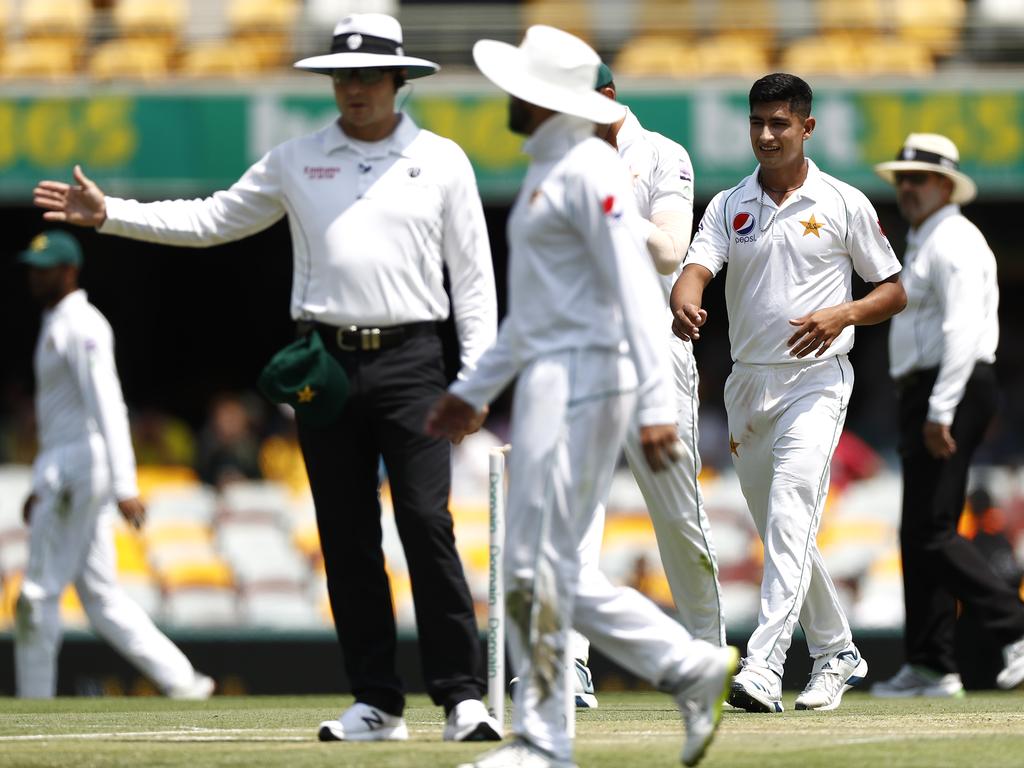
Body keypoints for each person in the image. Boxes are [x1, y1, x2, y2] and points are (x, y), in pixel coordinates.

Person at [32, 13, 500, 742]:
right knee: (346, 536)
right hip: (324, 364)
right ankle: (376, 701)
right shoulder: (298, 158)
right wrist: (110, 215)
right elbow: (213, 218)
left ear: (400, 80)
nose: (354, 90)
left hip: (414, 361)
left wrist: (477, 379)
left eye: (369, 75)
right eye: (342, 76)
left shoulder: (442, 160)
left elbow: (473, 282)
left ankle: (462, 696)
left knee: (426, 523)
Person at [427, 25, 738, 768]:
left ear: (542, 99)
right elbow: (532, 311)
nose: (507, 97)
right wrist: (473, 392)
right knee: (536, 568)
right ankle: (636, 691)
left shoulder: (588, 173)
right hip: (551, 380)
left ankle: (619, 699)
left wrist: (657, 406)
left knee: (539, 566)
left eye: (517, 87)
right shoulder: (552, 170)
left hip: (585, 383)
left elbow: (635, 283)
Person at [671, 72, 907, 713]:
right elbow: (697, 267)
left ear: (806, 127)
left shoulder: (843, 201)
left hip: (817, 380)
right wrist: (686, 297)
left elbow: (892, 288)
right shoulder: (728, 204)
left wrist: (843, 314)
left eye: (780, 124)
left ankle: (763, 666)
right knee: (784, 529)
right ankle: (837, 653)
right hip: (747, 384)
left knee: (791, 515)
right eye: (757, 123)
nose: (766, 135)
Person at [564, 62, 725, 708]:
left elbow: (670, 248)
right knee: (573, 511)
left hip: (653, 349)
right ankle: (569, 665)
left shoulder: (661, 154)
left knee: (675, 511)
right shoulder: (566, 158)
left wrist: (607, 210)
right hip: (582, 347)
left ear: (605, 97)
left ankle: (707, 654)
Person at [15, 229, 214, 700]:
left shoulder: (81, 325)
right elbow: (65, 418)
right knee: (100, 597)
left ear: (69, 271)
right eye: (32, 268)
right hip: (66, 467)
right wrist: (41, 477)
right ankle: (185, 683)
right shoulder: (58, 322)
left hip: (76, 469)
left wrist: (125, 483)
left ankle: (33, 707)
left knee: (37, 595)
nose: (34, 277)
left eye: (44, 269)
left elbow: (107, 404)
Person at [869, 133, 1024, 698]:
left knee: (932, 533)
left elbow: (961, 331)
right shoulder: (926, 239)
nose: (907, 187)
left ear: (944, 184)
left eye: (919, 178)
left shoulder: (954, 239)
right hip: (929, 390)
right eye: (902, 178)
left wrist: (940, 409)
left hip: (948, 388)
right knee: (918, 534)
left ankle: (1013, 624)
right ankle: (932, 665)